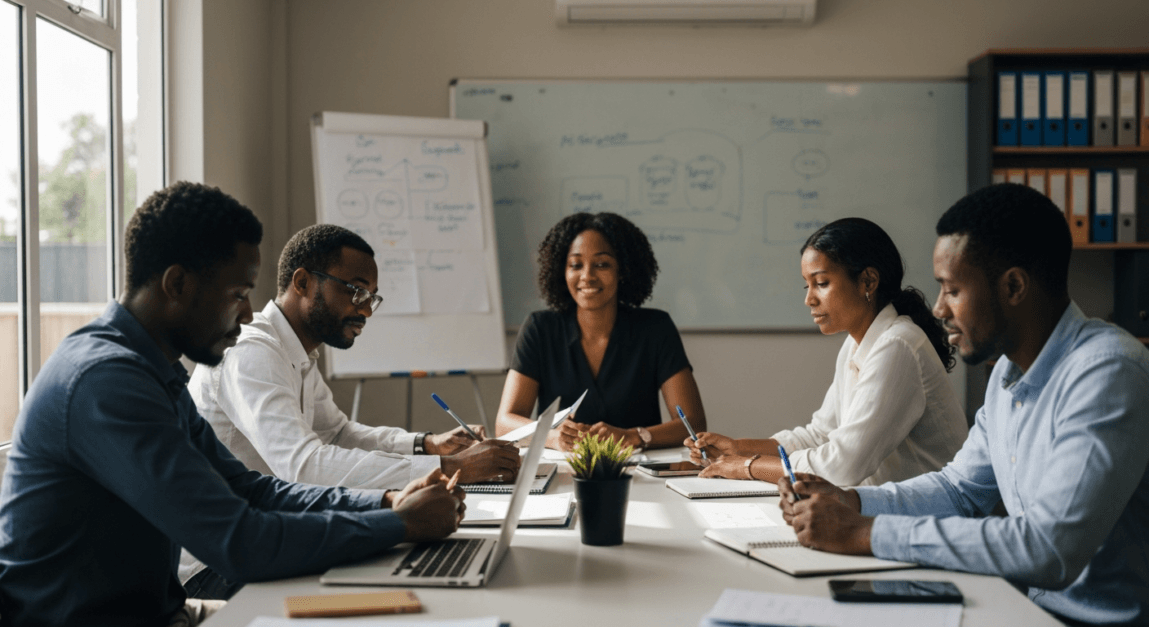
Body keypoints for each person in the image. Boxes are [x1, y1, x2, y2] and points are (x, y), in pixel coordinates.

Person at [0, 182, 465, 627]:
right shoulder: (106, 382)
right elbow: (239, 541)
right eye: (239, 295)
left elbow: (251, 489)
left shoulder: (150, 370)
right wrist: (397, 524)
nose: (248, 313)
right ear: (177, 284)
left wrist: (385, 502)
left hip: (166, 612)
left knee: (388, 609)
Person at [778, 184, 1149, 626]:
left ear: (1013, 286)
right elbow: (959, 491)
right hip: (1017, 607)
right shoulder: (1007, 377)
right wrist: (852, 501)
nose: (937, 309)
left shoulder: (1107, 372)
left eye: (952, 290)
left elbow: (1048, 550)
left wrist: (865, 532)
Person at [179, 223, 521, 598]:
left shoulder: (296, 351)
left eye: (372, 297)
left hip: (273, 535)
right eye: (356, 290)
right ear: (303, 282)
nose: (365, 311)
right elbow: (304, 466)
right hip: (216, 566)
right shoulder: (252, 352)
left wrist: (428, 444)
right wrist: (452, 469)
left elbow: (337, 433)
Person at [684, 218, 968, 487]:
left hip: (927, 519)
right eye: (807, 285)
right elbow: (820, 434)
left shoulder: (897, 345)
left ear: (868, 281)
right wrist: (737, 448)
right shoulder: (857, 344)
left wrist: (749, 466)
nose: (809, 299)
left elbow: (842, 466)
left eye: (821, 284)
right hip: (886, 509)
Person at [495, 212, 706, 451]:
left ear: (623, 270)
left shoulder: (655, 328)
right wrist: (552, 437)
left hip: (640, 473)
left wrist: (634, 436)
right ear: (561, 271)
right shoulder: (540, 329)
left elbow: (693, 424)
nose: (587, 276)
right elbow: (504, 424)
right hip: (562, 475)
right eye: (576, 265)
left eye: (602, 264)